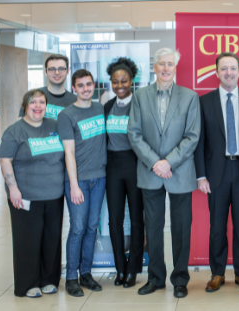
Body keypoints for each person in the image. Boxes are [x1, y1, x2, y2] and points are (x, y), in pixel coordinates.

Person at [127, 48, 200, 299]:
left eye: (170, 64)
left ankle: (180, 279)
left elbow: (192, 136)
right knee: (154, 227)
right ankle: (156, 278)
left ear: (175, 68)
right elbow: (134, 134)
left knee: (181, 228)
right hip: (150, 172)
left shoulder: (190, 97)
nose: (166, 68)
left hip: (179, 172)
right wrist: (155, 162)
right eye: (162, 64)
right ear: (155, 67)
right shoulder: (140, 96)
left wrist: (168, 162)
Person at [194, 52, 239, 293]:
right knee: (217, 226)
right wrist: (200, 175)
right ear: (216, 72)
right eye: (223, 69)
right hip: (216, 172)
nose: (228, 73)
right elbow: (199, 141)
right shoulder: (204, 101)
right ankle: (217, 273)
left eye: (232, 68)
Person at [0, 89, 65, 298]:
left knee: (51, 239)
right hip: (26, 196)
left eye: (42, 102)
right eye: (33, 102)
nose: (38, 106)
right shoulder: (15, 131)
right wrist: (13, 188)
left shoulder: (55, 126)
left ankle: (49, 279)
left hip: (54, 195)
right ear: (25, 106)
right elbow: (5, 160)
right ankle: (29, 283)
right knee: (28, 240)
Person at [58, 69, 106, 297]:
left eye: (89, 84)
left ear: (93, 85)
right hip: (78, 181)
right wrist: (74, 185)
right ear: (74, 87)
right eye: (81, 85)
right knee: (77, 229)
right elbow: (69, 152)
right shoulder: (67, 115)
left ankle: (86, 273)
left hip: (100, 177)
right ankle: (71, 277)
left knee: (91, 227)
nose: (86, 88)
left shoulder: (99, 108)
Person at [104, 57, 145, 288]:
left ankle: (133, 269)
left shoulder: (139, 104)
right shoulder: (108, 107)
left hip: (135, 165)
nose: (119, 86)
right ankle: (120, 267)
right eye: (115, 82)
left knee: (138, 220)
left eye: (124, 81)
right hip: (113, 167)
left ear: (132, 81)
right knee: (114, 220)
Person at [19, 54, 76, 119]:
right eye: (52, 69)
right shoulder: (32, 97)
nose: (57, 72)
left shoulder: (75, 101)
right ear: (46, 72)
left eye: (61, 69)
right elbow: (21, 125)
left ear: (67, 71)